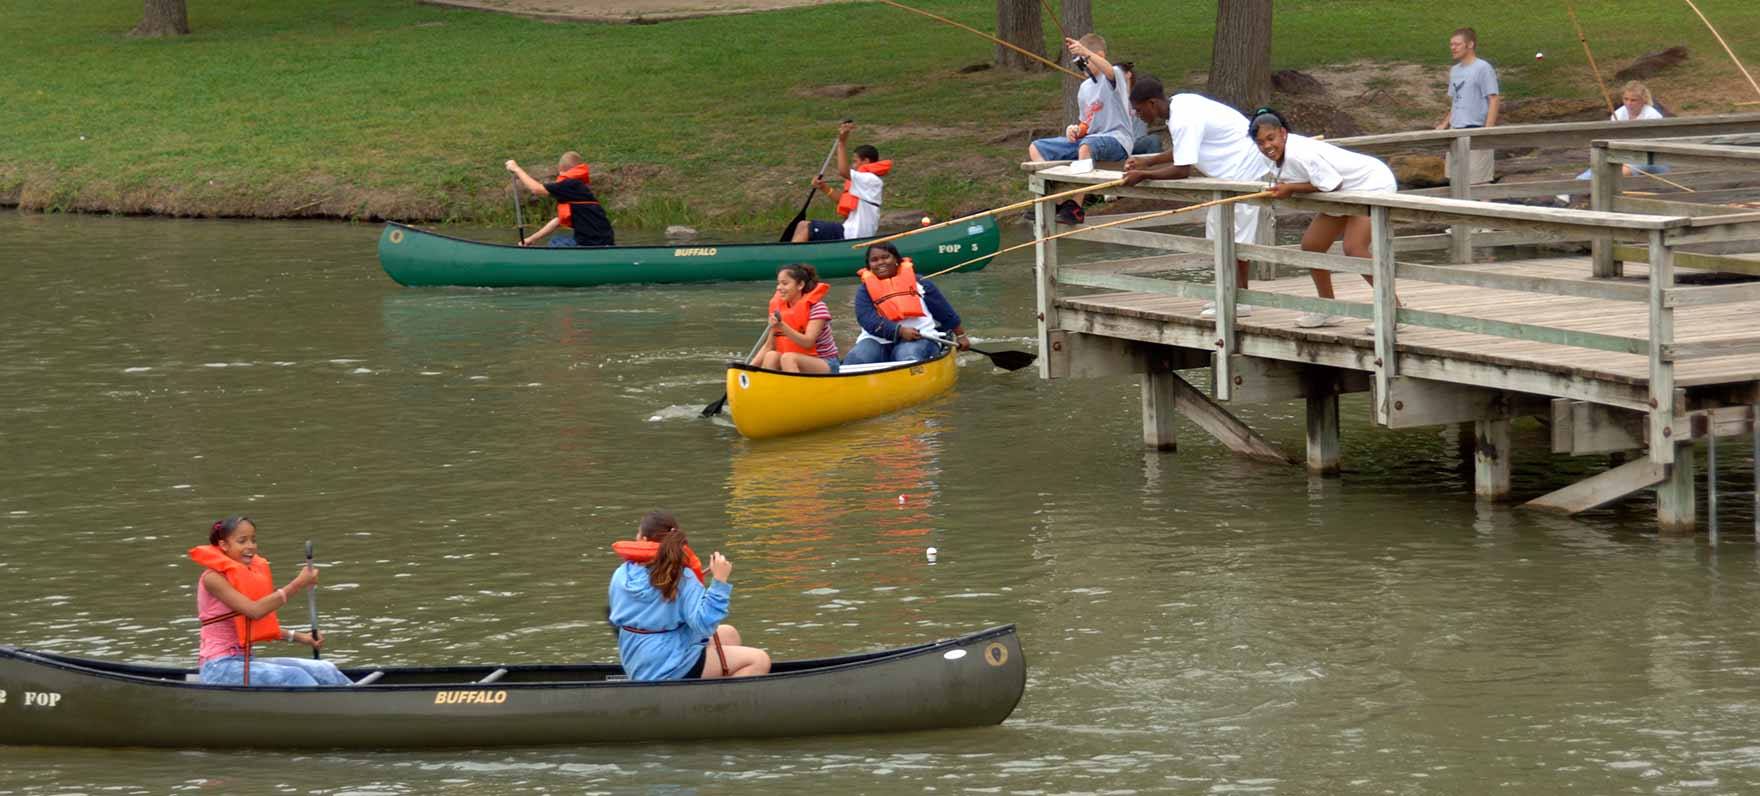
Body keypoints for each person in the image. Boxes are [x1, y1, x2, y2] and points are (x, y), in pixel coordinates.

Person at [1121, 75, 1275, 318]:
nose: (1139, 116)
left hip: (1246, 169)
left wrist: (1143, 174)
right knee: (1217, 236)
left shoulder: (1183, 118)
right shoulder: (1180, 104)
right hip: (1228, 177)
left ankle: (1240, 299)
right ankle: (1225, 293)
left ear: (1152, 103)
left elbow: (1182, 170)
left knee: (1238, 238)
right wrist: (1148, 160)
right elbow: (1186, 148)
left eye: (1139, 110)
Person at [1251, 108, 1401, 330]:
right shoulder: (1278, 154)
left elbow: (1333, 183)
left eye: (1270, 139)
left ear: (1283, 133)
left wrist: (1291, 188)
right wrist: (1289, 186)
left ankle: (1393, 311)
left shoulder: (1299, 153)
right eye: (1261, 143)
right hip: (1341, 192)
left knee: (1354, 248)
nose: (1267, 147)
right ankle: (1328, 308)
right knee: (1312, 246)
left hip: (1371, 183)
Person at [189, 515, 351, 687]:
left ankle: (356, 697)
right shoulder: (212, 578)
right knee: (294, 676)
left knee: (324, 668)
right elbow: (255, 611)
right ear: (224, 545)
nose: (250, 546)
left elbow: (256, 625)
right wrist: (298, 583)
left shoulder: (244, 576)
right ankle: (332, 707)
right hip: (219, 668)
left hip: (245, 661)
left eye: (253, 540)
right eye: (242, 541)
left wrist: (303, 638)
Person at [608, 511, 770, 682]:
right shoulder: (682, 577)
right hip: (666, 666)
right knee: (759, 660)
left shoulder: (621, 574)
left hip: (636, 659)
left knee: (729, 634)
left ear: (643, 541)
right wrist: (719, 582)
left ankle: (708, 691)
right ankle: (720, 705)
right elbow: (704, 625)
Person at [1026, 34, 1137, 224]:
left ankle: (1076, 207)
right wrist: (1076, 129)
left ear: (1098, 55)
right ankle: (1058, 202)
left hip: (1118, 140)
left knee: (1086, 146)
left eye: (1084, 60)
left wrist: (1085, 51)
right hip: (1091, 140)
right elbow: (1087, 123)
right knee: (1036, 147)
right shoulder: (1084, 88)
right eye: (1079, 62)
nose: (1082, 66)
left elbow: (1109, 70)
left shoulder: (1114, 75)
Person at [844, 243, 970, 365]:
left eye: (886, 257)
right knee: (855, 360)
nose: (881, 262)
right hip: (876, 340)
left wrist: (961, 335)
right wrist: (899, 331)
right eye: (874, 260)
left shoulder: (920, 283)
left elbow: (944, 311)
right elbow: (867, 319)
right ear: (869, 265)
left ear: (896, 259)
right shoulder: (864, 290)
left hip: (921, 337)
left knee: (907, 356)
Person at [791, 121, 890, 243]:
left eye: (855, 161)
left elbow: (843, 172)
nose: (853, 165)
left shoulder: (870, 179)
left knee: (803, 226)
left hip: (854, 234)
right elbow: (842, 200)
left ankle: (791, 258)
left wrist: (841, 143)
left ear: (866, 161)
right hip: (850, 231)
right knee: (807, 228)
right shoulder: (865, 182)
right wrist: (823, 187)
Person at [1567, 81, 1669, 192]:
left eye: (1633, 100)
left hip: (1651, 160)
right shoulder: (1618, 114)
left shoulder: (1652, 116)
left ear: (1643, 100)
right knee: (1601, 167)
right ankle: (1572, 187)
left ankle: (1585, 190)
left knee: (1617, 172)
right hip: (1624, 157)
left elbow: (1654, 147)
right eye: (1626, 99)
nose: (1629, 103)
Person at [505, 152, 615, 247]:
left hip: (592, 243)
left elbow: (536, 189)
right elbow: (558, 221)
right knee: (559, 239)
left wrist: (516, 169)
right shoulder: (578, 187)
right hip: (603, 241)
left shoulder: (569, 184)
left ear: (561, 170)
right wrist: (531, 239)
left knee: (556, 242)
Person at [1435, 27, 1499, 185]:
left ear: (1470, 45)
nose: (1453, 48)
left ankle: (1485, 209)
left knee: (1479, 181)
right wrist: (1444, 124)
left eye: (1457, 44)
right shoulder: (1454, 71)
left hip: (1476, 129)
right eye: (1451, 44)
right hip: (1455, 131)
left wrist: (1487, 131)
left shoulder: (1483, 68)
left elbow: (1494, 99)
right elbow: (1457, 101)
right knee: (1456, 179)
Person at [753, 263, 839, 374]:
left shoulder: (817, 308)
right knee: (771, 355)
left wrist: (782, 326)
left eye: (785, 283)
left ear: (800, 285)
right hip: (792, 359)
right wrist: (748, 370)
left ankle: (796, 390)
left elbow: (808, 342)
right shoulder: (778, 310)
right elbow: (769, 345)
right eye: (778, 283)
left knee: (788, 358)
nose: (779, 288)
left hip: (825, 362)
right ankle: (769, 388)